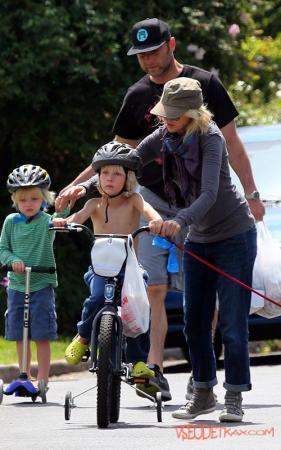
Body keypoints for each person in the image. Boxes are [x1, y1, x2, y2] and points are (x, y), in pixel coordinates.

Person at [56, 18, 264, 399]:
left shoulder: (210, 129)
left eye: (153, 51)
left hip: (215, 220)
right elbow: (121, 159)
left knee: (227, 317)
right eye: (141, 55)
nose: (148, 61)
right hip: (160, 205)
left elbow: (211, 190)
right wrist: (81, 186)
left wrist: (249, 195)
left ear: (172, 45)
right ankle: (163, 372)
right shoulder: (153, 118)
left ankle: (229, 390)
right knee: (175, 303)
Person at [140, 77, 257, 422]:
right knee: (194, 322)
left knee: (233, 323)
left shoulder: (211, 139)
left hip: (235, 237)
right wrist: (89, 184)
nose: (167, 120)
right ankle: (203, 391)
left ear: (193, 114)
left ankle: (234, 394)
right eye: (165, 114)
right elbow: (130, 159)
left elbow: (207, 194)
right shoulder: (165, 136)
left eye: (174, 115)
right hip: (200, 241)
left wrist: (179, 220)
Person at [52, 143, 172, 401]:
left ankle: (140, 361)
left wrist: (156, 222)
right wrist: (64, 222)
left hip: (129, 269)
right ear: (98, 178)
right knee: (95, 299)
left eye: (117, 174)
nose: (109, 178)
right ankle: (84, 336)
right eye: (104, 173)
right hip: (101, 268)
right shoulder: (94, 204)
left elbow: (151, 212)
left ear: (128, 178)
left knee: (139, 307)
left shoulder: (135, 200)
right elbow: (77, 218)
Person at [0, 164, 70, 387]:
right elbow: (3, 250)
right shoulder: (11, 222)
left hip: (41, 285)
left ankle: (42, 378)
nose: (28, 204)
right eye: (23, 200)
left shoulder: (46, 221)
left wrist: (62, 216)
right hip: (18, 286)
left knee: (41, 334)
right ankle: (24, 375)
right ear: (15, 201)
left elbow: (61, 216)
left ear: (43, 199)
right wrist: (13, 261)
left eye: (34, 199)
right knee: (20, 334)